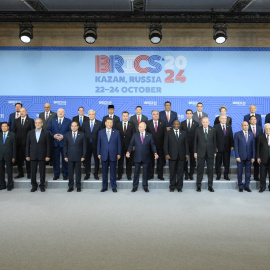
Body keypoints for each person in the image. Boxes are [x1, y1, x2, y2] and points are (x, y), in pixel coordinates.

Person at [126, 122, 158, 192]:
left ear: (145, 127)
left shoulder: (149, 135)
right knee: (136, 173)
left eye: (140, 127)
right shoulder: (135, 135)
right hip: (137, 157)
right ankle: (135, 187)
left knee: (145, 173)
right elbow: (131, 144)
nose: (139, 128)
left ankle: (145, 186)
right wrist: (128, 152)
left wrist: (155, 153)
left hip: (146, 157)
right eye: (139, 127)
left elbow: (153, 145)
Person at [26, 118, 50, 192]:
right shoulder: (30, 133)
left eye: (39, 123)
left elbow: (48, 145)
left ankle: (42, 185)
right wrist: (27, 155)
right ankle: (34, 186)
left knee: (42, 171)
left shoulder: (46, 132)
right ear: (34, 124)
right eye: (36, 123)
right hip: (32, 155)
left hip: (42, 155)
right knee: (33, 171)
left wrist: (48, 155)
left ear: (42, 124)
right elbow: (27, 145)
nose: (37, 124)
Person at [97, 118, 121, 193]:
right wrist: (98, 153)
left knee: (113, 172)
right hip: (103, 154)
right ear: (105, 123)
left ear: (112, 124)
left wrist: (119, 153)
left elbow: (119, 144)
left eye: (111, 123)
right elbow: (98, 144)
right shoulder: (100, 132)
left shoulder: (116, 132)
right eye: (108, 122)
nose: (109, 124)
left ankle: (114, 186)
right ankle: (104, 187)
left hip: (113, 154)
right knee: (104, 172)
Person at [164, 120, 188, 192]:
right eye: (175, 124)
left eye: (178, 124)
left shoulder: (184, 133)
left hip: (181, 156)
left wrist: (186, 154)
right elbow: (165, 145)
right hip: (171, 156)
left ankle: (179, 187)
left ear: (180, 125)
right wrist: (167, 154)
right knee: (172, 172)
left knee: (180, 172)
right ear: (173, 125)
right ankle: (172, 186)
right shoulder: (168, 133)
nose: (176, 125)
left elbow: (186, 145)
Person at [47, 108, 71, 180]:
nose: (60, 113)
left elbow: (70, 131)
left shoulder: (68, 121)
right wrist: (54, 135)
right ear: (57, 113)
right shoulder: (53, 120)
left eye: (62, 112)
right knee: (55, 160)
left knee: (65, 159)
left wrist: (63, 136)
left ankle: (65, 174)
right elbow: (49, 130)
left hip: (64, 144)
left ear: (64, 113)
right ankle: (56, 174)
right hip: (55, 143)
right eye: (59, 112)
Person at [194, 117, 216, 192]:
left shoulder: (212, 129)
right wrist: (195, 152)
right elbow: (195, 142)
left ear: (209, 122)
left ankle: (210, 186)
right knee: (200, 170)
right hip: (200, 152)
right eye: (204, 122)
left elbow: (214, 141)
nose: (205, 123)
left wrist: (215, 152)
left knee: (210, 170)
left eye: (206, 122)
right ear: (201, 122)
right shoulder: (198, 129)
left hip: (210, 153)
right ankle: (198, 186)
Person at [64, 122, 87, 192]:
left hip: (79, 157)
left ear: (77, 127)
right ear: (70, 127)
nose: (73, 127)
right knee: (70, 172)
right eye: (72, 126)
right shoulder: (67, 134)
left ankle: (78, 186)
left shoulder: (82, 135)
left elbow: (84, 147)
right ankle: (70, 186)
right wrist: (65, 156)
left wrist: (83, 156)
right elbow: (65, 146)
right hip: (70, 157)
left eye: (75, 126)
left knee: (78, 172)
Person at [12, 107, 35, 179]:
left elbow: (32, 132)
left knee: (28, 159)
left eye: (23, 111)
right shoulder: (16, 121)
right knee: (19, 159)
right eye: (20, 111)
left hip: (27, 144)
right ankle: (20, 173)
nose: (21, 113)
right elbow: (13, 132)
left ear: (26, 112)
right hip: (18, 144)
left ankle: (29, 173)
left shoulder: (31, 120)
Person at [234, 121, 255, 192]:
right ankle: (240, 186)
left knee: (248, 173)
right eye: (244, 125)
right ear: (241, 126)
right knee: (240, 172)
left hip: (249, 157)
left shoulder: (251, 134)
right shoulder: (237, 134)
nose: (246, 126)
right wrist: (237, 156)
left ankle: (247, 186)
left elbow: (253, 146)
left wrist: (253, 157)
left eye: (247, 125)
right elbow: (236, 146)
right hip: (240, 157)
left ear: (248, 126)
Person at [146, 110, 166, 180]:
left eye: (157, 114)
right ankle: (150, 175)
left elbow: (165, 135)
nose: (155, 115)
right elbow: (146, 135)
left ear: (158, 115)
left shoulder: (163, 123)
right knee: (151, 162)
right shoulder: (148, 123)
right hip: (150, 146)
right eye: (154, 114)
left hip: (160, 146)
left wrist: (164, 146)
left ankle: (160, 175)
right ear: (152, 115)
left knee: (160, 162)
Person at [83, 109, 102, 180]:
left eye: (92, 114)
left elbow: (101, 135)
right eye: (90, 114)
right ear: (88, 115)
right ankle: (87, 174)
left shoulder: (99, 123)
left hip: (96, 145)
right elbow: (83, 134)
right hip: (87, 145)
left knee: (97, 160)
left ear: (95, 115)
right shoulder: (85, 123)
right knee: (87, 160)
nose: (91, 115)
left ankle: (96, 173)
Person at [180, 109, 199, 180]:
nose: (189, 114)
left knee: (192, 161)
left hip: (193, 145)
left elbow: (197, 135)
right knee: (185, 160)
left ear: (192, 114)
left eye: (190, 113)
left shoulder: (196, 123)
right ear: (186, 114)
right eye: (187, 113)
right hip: (184, 145)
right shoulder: (182, 123)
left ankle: (191, 174)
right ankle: (186, 174)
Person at [214, 115, 234, 180]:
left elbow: (231, 137)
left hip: (227, 148)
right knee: (218, 163)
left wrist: (232, 145)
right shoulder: (216, 127)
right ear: (219, 119)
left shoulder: (229, 127)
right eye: (222, 118)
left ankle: (226, 175)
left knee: (227, 163)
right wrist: (215, 147)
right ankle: (218, 175)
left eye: (225, 118)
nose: (224, 119)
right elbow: (214, 138)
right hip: (218, 148)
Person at [116, 111, 135, 180]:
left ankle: (128, 175)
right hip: (120, 147)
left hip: (129, 147)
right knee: (120, 162)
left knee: (129, 162)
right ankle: (119, 175)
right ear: (122, 116)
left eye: (126, 116)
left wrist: (133, 145)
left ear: (128, 116)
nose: (125, 117)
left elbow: (134, 136)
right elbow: (116, 136)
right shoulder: (118, 124)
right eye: (124, 116)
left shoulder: (132, 124)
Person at [0, 122, 16, 191]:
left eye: (5, 126)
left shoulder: (12, 135)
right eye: (2, 126)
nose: (3, 128)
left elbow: (14, 147)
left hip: (9, 156)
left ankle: (10, 185)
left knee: (9, 171)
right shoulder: (0, 134)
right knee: (1, 171)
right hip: (0, 156)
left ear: (8, 127)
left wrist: (14, 157)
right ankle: (2, 185)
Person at [248, 115, 263, 181]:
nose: (253, 120)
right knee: (248, 163)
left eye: (254, 119)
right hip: (249, 148)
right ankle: (248, 176)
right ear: (249, 121)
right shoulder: (247, 127)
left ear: (256, 121)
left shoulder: (260, 128)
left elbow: (262, 137)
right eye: (252, 119)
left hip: (257, 148)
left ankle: (256, 176)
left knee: (256, 164)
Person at [257, 123, 270, 192]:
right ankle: (262, 187)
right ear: (264, 129)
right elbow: (258, 148)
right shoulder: (260, 136)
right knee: (262, 174)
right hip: (263, 158)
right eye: (266, 128)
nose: (268, 130)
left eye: (269, 128)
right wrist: (258, 157)